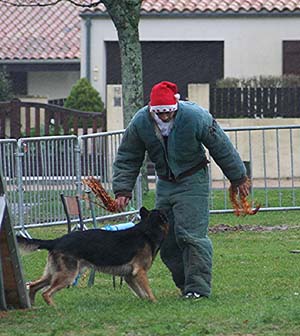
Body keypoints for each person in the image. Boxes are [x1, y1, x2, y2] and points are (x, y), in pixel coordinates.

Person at [112, 81, 250, 299]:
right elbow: (128, 157)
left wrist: (238, 177)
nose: (165, 117)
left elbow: (221, 146)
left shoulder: (195, 117)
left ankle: (198, 289)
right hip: (165, 183)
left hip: (193, 180)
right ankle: (185, 284)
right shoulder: (141, 121)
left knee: (191, 236)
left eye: (168, 112)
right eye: (160, 113)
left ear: (175, 106)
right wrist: (122, 189)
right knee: (165, 239)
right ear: (151, 109)